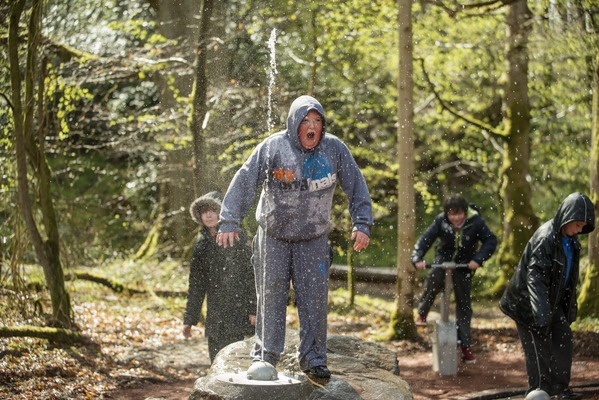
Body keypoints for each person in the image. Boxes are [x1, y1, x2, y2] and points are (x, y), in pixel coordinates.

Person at [216, 95, 373, 380]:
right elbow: (245, 179)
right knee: (271, 296)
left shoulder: (335, 149)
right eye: (305, 121)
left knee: (314, 300)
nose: (312, 127)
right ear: (294, 124)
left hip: (313, 238)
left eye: (317, 121)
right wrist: (229, 219)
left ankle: (313, 358)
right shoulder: (274, 147)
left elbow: (357, 186)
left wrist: (362, 223)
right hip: (273, 236)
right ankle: (265, 356)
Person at [499, 192, 595, 400]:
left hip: (549, 301)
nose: (579, 230)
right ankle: (539, 392)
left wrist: (568, 309)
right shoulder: (546, 238)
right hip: (525, 302)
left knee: (563, 337)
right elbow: (535, 278)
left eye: (582, 227)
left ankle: (559, 389)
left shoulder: (572, 243)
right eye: (577, 225)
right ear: (567, 217)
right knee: (537, 347)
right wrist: (541, 314)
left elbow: (569, 281)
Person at [411, 193, 497, 362]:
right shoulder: (441, 221)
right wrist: (417, 257)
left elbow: (490, 241)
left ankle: (465, 345)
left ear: (465, 212)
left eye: (458, 214)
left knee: (464, 304)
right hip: (443, 260)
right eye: (451, 214)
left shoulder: (476, 222)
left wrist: (478, 259)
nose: (455, 218)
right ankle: (422, 313)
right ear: (446, 214)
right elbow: (425, 240)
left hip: (464, 264)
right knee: (433, 280)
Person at [182, 191, 257, 364]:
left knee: (239, 361)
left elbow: (251, 275)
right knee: (216, 360)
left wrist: (254, 308)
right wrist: (189, 319)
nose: (208, 215)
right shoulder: (201, 245)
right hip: (215, 314)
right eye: (204, 211)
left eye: (213, 210)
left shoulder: (239, 238)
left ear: (222, 213)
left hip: (240, 311)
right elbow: (196, 285)